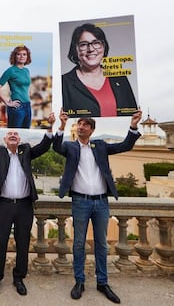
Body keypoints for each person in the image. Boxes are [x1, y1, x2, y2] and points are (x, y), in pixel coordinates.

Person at [52, 108, 142, 304]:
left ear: (92, 130)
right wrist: (61, 124)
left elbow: (125, 145)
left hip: (101, 202)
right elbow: (56, 147)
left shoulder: (100, 146)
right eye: (79, 124)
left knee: (101, 244)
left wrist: (133, 125)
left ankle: (102, 282)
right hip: (80, 201)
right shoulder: (70, 147)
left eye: (85, 124)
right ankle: (79, 281)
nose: (81, 127)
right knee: (78, 244)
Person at [0, 113, 55, 296]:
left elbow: (44, 147)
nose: (12, 135)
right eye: (9, 134)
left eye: (15, 134)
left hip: (24, 206)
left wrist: (50, 128)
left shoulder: (26, 150)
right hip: (3, 206)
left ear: (19, 139)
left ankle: (19, 277)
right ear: (5, 139)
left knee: (23, 243)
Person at [62, 23, 137, 117]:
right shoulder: (64, 83)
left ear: (104, 46)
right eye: (83, 44)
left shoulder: (120, 78)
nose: (90, 49)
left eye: (96, 43)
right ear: (75, 49)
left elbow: (133, 117)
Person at [0, 45, 32, 128]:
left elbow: (25, 87)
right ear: (15, 56)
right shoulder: (10, 71)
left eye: (24, 54)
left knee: (25, 134)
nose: (22, 56)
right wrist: (7, 103)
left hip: (28, 106)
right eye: (19, 54)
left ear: (27, 56)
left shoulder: (26, 71)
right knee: (14, 133)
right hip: (17, 107)